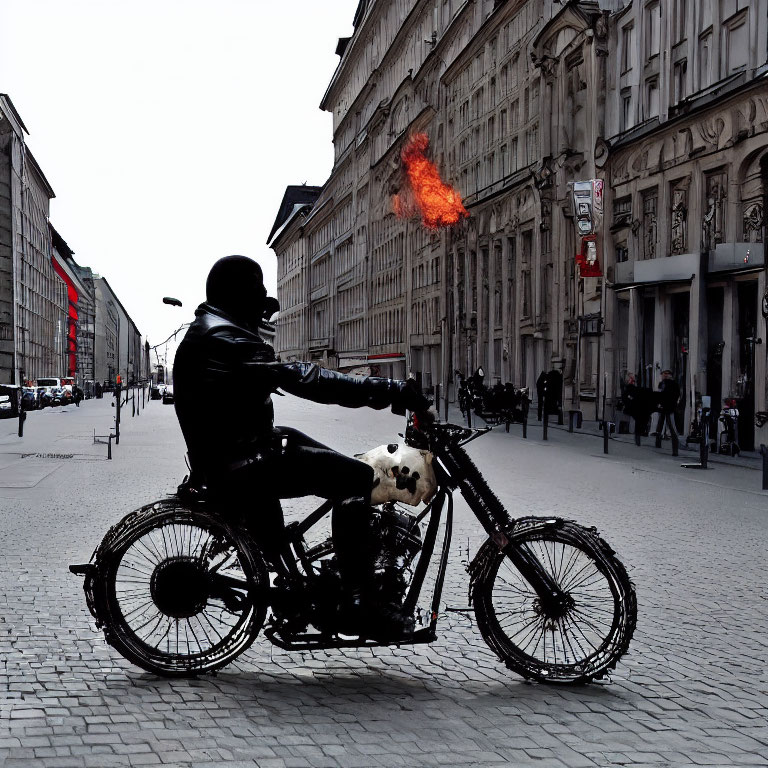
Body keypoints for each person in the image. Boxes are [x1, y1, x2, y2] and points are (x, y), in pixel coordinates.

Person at [173, 255, 431, 638]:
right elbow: (307, 380)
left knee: (343, 460)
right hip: (243, 459)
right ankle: (360, 600)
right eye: (258, 292)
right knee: (357, 477)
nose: (264, 303)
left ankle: (323, 573)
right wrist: (388, 389)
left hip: (241, 448)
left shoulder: (214, 329)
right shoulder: (224, 336)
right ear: (238, 293)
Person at [654, 369, 680, 448]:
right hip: (663, 407)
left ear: (670, 375)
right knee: (660, 425)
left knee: (671, 426)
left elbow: (676, 395)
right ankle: (658, 443)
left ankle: (675, 447)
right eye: (663, 374)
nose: (664, 375)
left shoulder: (673, 384)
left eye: (666, 374)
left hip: (669, 407)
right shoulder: (662, 383)